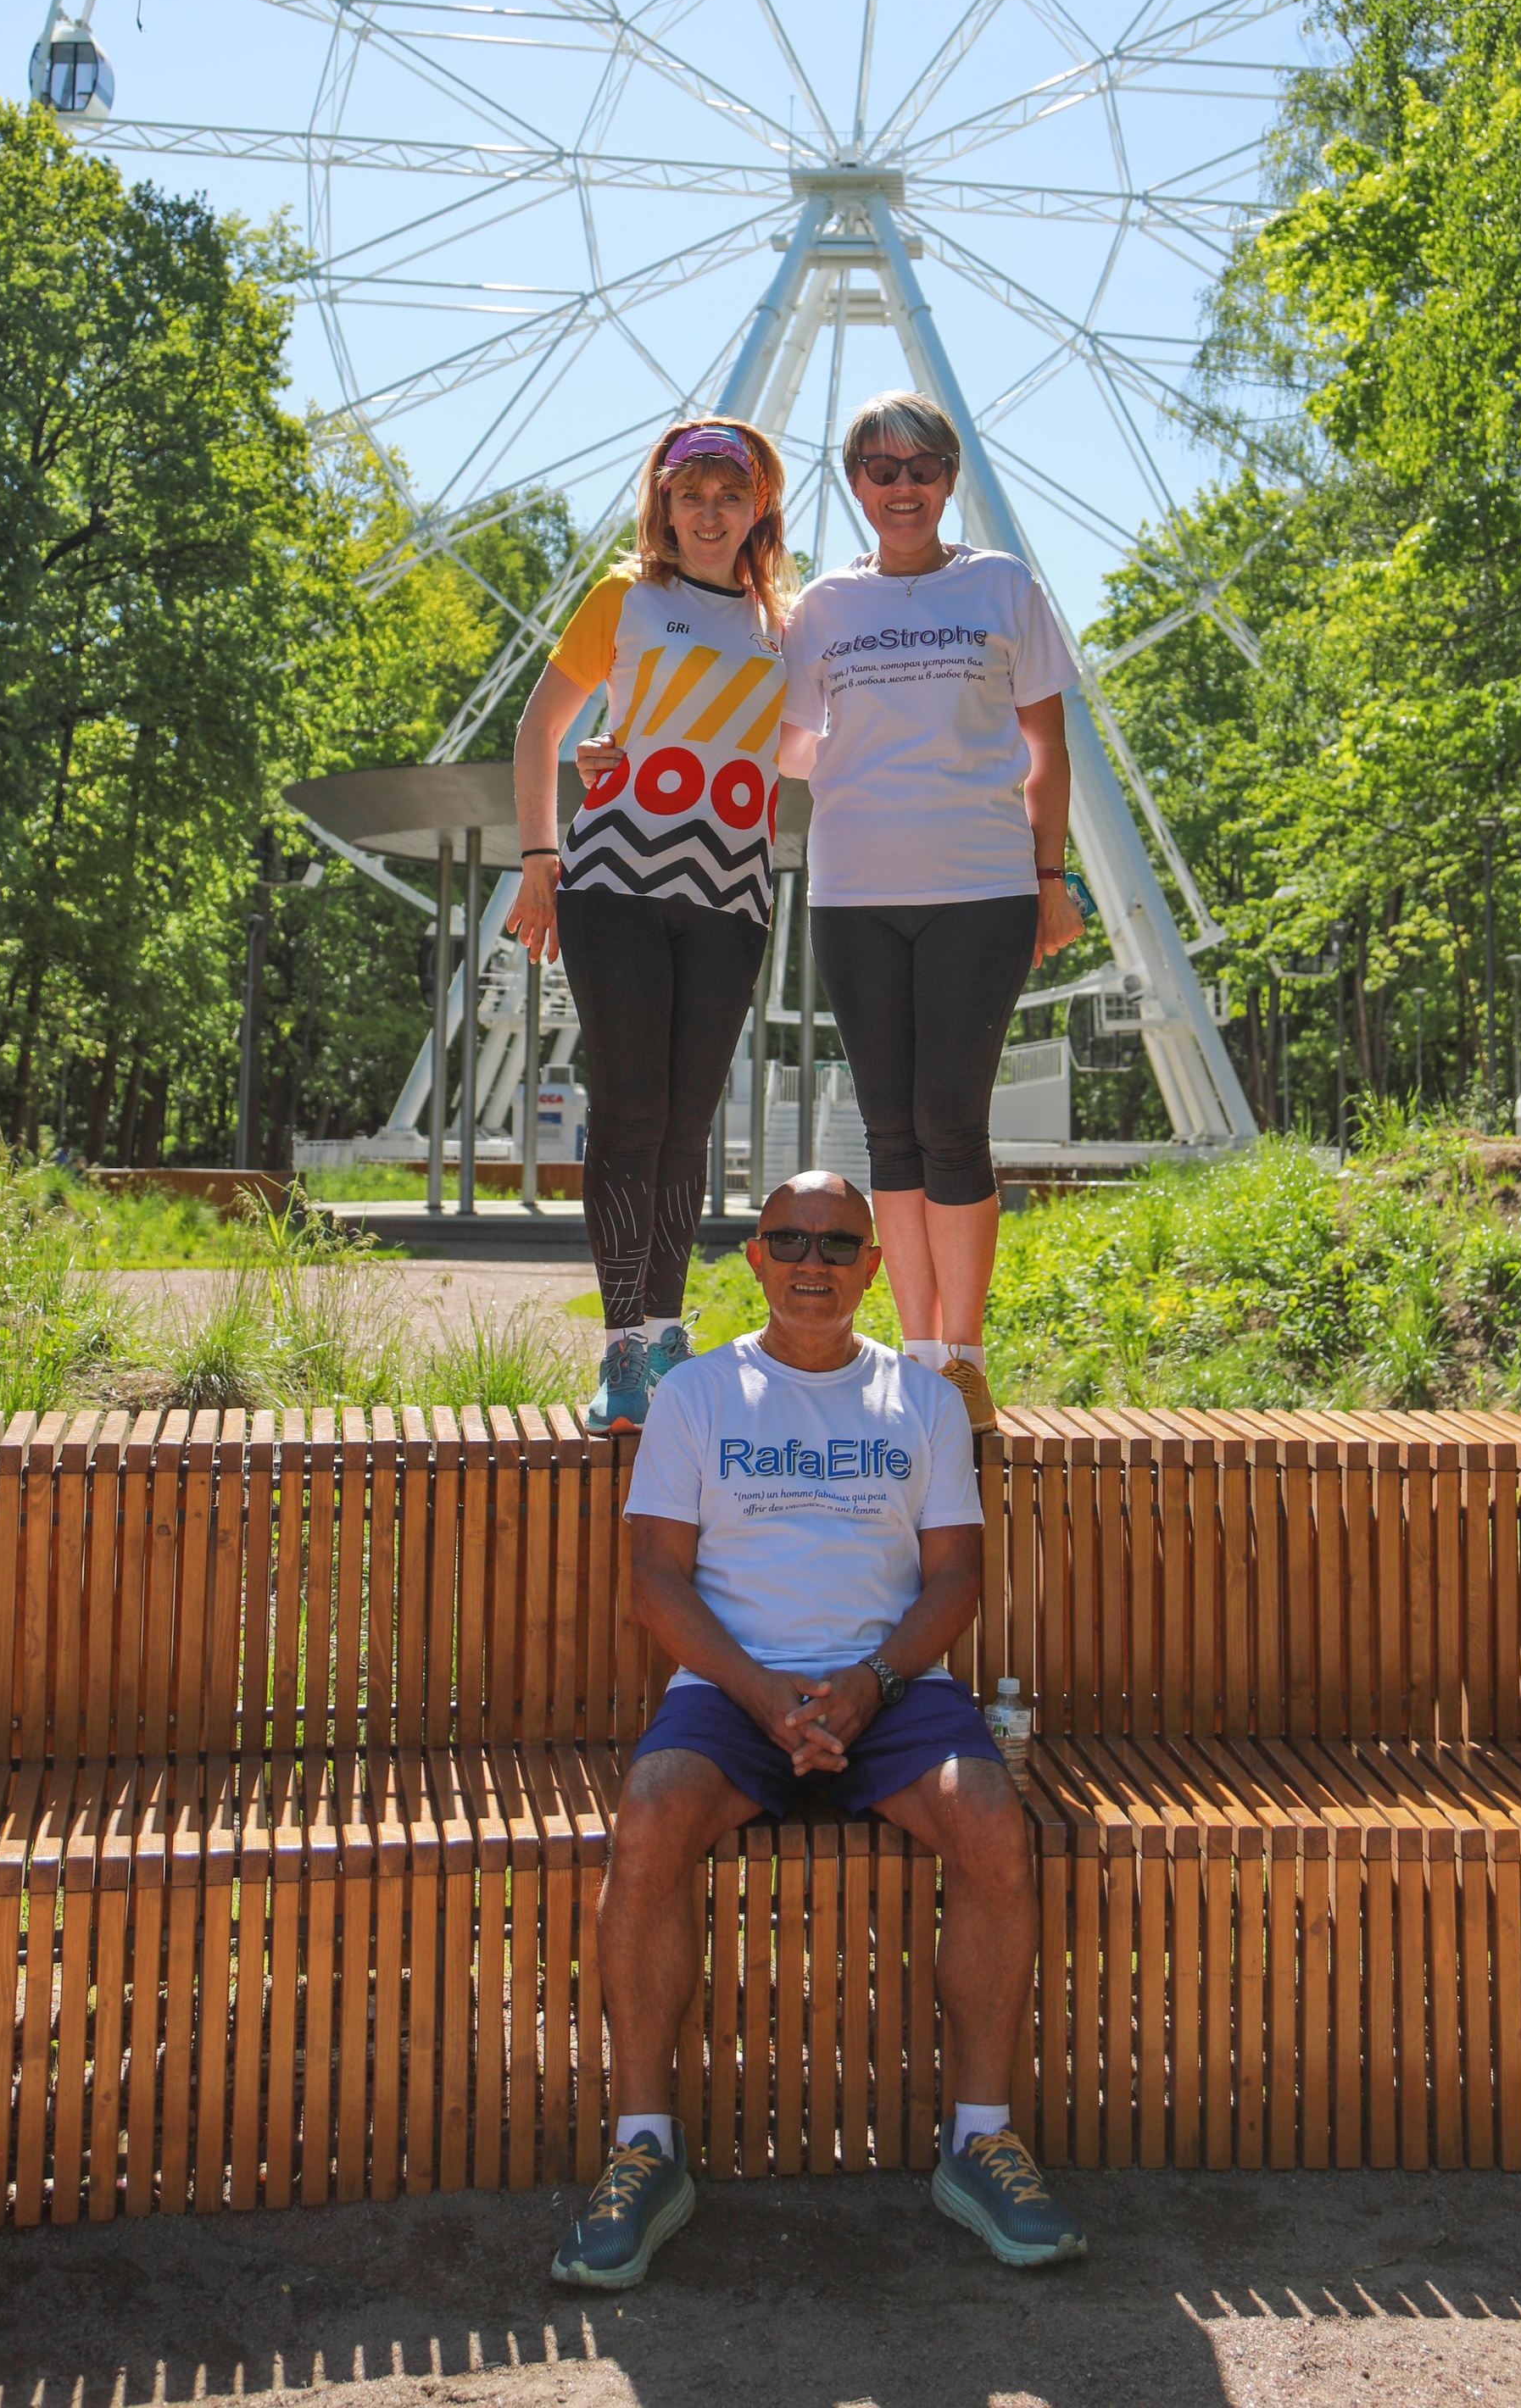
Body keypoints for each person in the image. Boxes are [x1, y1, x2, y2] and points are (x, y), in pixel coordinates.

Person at [551, 1167, 1086, 2291]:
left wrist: (871, 1683)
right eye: (788, 1240)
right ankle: (645, 2152)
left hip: (889, 1692)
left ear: (874, 1269)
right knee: (649, 1822)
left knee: (993, 1824)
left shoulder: (924, 1403)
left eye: (838, 1245)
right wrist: (758, 1692)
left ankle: (981, 2141)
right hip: (731, 1690)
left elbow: (954, 1583)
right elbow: (654, 1579)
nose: (812, 1263)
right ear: (753, 1258)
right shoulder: (698, 1395)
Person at [776, 391, 1087, 1431]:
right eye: (878, 468)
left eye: (920, 467)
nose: (899, 486)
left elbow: (1046, 751)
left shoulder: (1003, 586)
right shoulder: (821, 605)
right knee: (888, 1132)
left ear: (949, 478)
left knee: (953, 1123)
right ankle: (913, 1356)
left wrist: (1051, 879)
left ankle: (964, 1355)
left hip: (981, 883)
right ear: (854, 484)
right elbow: (784, 743)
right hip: (855, 887)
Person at [508, 416, 790, 1432]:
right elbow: (542, 724)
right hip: (615, 879)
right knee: (629, 1109)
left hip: (734, 891)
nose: (709, 512)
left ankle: (670, 1334)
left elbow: (800, 750)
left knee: (688, 1124)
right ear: (662, 506)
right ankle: (623, 1348)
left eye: (730, 494)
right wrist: (541, 859)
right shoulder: (625, 599)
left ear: (759, 506)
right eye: (690, 494)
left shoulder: (782, 627)